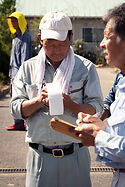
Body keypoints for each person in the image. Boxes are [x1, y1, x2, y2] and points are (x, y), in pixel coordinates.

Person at [10, 11, 103, 187]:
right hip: (40, 158)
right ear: (40, 39)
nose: (56, 51)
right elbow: (16, 109)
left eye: (61, 44)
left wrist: (72, 105)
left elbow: (96, 106)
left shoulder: (85, 68)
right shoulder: (28, 68)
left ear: (71, 38)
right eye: (49, 44)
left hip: (76, 156)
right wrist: (38, 101)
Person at [75, 3, 125, 187]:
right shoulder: (121, 77)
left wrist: (99, 137)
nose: (102, 44)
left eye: (107, 37)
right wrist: (100, 126)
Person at [7, 12, 32, 131]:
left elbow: (24, 56)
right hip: (14, 72)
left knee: (21, 96)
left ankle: (24, 123)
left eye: (15, 20)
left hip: (20, 73)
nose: (13, 23)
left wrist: (21, 74)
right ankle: (18, 123)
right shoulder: (16, 36)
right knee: (15, 97)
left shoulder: (25, 36)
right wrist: (11, 74)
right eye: (11, 21)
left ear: (21, 21)